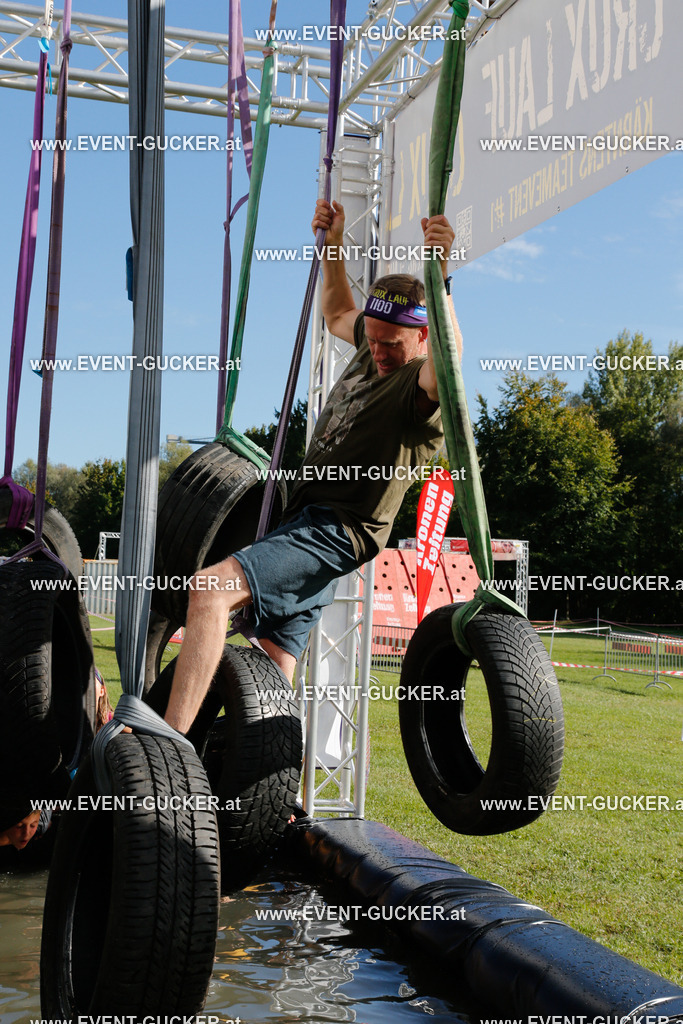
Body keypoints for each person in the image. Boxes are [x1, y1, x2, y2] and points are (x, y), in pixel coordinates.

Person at [163, 201, 463, 735]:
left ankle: (170, 744)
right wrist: (332, 245)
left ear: (421, 336)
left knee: (209, 591)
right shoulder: (374, 344)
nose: (377, 350)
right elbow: (335, 312)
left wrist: (440, 279)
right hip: (305, 515)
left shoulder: (419, 387)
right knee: (272, 664)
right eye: (371, 338)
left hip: (339, 529)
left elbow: (450, 362)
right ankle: (261, 787)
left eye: (391, 344)